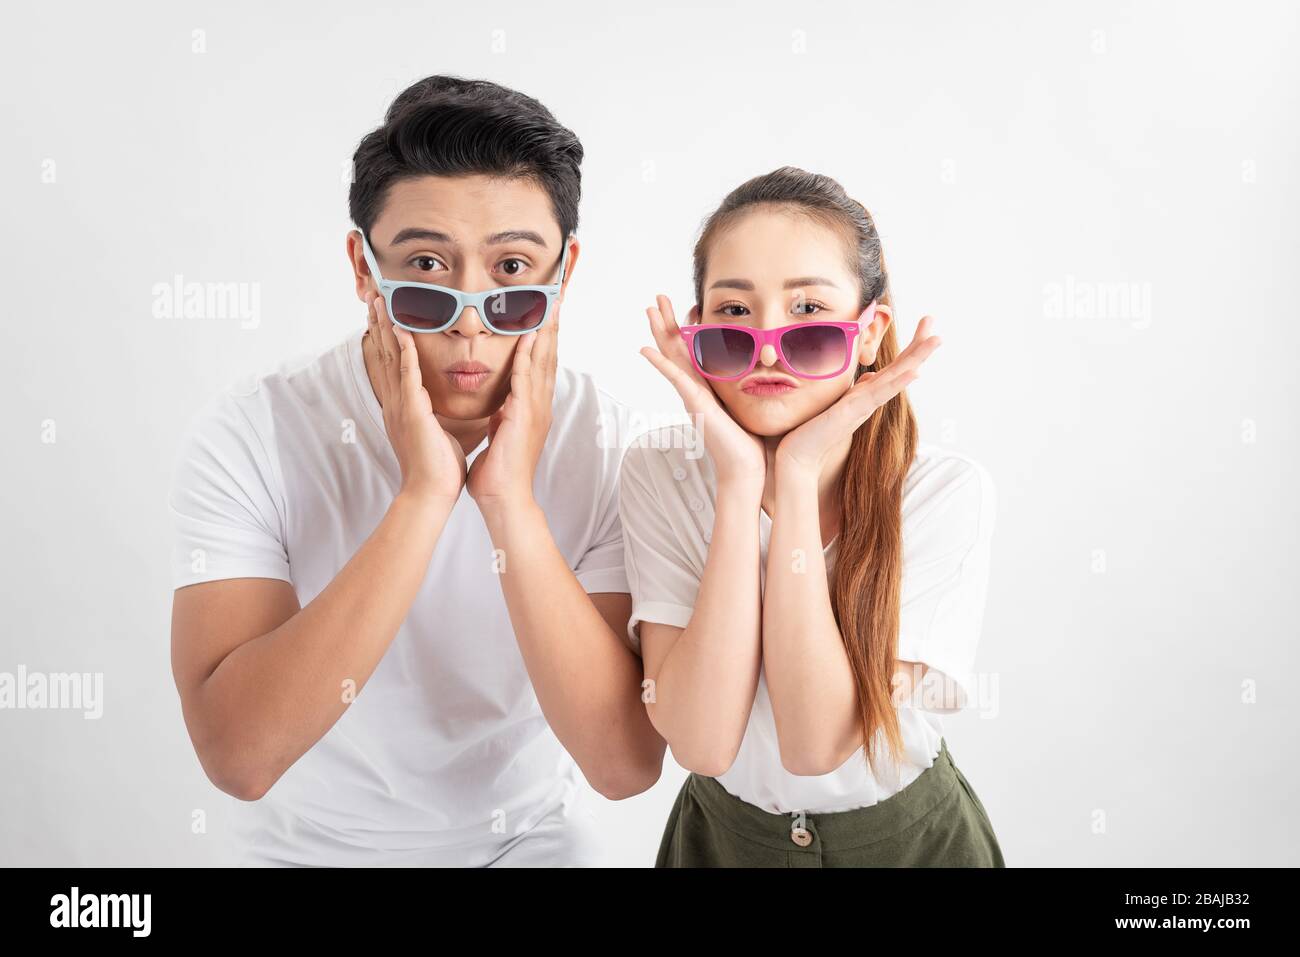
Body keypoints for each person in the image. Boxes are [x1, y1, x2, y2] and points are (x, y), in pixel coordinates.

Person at [168, 75, 664, 867]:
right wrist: (424, 495)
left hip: (528, 844)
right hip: (305, 854)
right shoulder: (253, 431)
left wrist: (508, 501)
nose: (470, 320)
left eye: (511, 271)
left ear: (564, 271)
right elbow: (239, 756)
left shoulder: (608, 445)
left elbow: (623, 765)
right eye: (427, 266)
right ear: (364, 270)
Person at [619, 166, 1005, 867]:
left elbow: (814, 741)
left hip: (910, 843)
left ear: (867, 333)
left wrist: (794, 480)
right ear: (697, 329)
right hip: (719, 841)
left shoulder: (941, 489)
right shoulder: (662, 470)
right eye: (734, 312)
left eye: (807, 312)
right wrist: (739, 483)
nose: (768, 347)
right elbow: (701, 742)